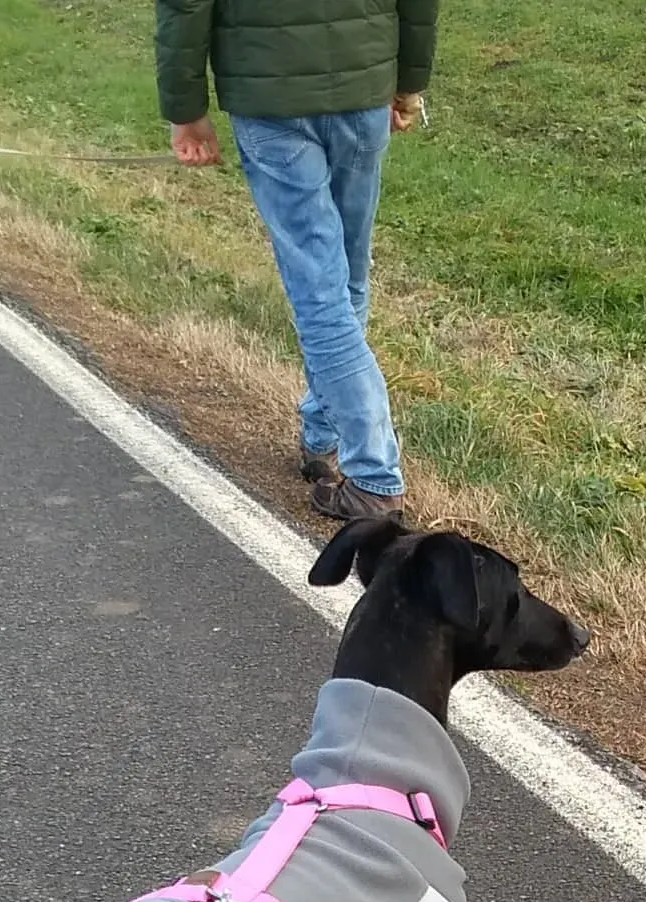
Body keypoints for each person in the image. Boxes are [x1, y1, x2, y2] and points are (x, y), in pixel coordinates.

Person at [156, 0, 437, 523]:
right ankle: (323, 432)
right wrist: (408, 79)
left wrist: (186, 110)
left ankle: (374, 474)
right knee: (346, 275)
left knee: (320, 293)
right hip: (362, 83)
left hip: (270, 96)